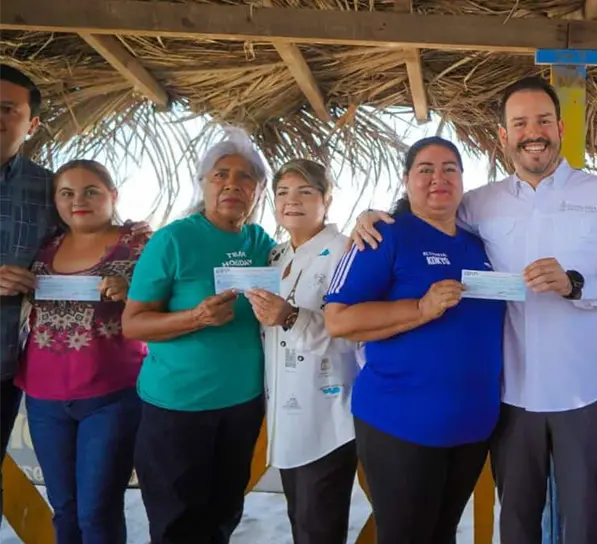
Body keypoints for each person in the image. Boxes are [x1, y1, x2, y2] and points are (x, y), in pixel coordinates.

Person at [350, 77, 597, 544]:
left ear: (561, 128)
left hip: (584, 389)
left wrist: (576, 284)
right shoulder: (479, 203)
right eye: (520, 123)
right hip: (510, 394)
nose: (534, 132)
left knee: (589, 520)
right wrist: (372, 217)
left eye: (543, 120)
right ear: (504, 136)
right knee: (516, 521)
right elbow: (428, 214)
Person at [324, 137, 505, 543]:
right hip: (400, 425)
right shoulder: (383, 235)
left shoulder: (482, 245)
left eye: (450, 169)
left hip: (472, 427)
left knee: (443, 534)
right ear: (407, 180)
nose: (438, 178)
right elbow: (337, 320)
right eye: (425, 169)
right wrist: (419, 309)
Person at [121, 129, 276, 544]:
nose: (232, 184)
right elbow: (133, 324)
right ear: (203, 183)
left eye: (245, 178)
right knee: (177, 523)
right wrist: (194, 317)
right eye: (220, 175)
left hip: (242, 406)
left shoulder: (261, 242)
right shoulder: (174, 239)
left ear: (258, 191)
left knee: (224, 514)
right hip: (178, 407)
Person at [17, 159, 146, 544]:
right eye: (67, 193)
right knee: (66, 510)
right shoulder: (42, 244)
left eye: (91, 191)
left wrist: (133, 291)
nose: (79, 201)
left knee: (98, 512)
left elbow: (169, 299)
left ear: (113, 196)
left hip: (111, 397)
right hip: (43, 399)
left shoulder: (141, 244)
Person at [253, 159, 358, 544]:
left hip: (328, 415)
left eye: (305, 192)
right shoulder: (275, 257)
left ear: (326, 200)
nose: (291, 201)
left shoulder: (347, 251)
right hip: (285, 416)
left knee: (320, 528)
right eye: (282, 192)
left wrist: (291, 317)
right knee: (300, 520)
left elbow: (355, 334)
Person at [0, 64, 54, 519]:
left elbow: (81, 254)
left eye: (7, 108)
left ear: (31, 124)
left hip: (3, 366)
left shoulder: (50, 189)